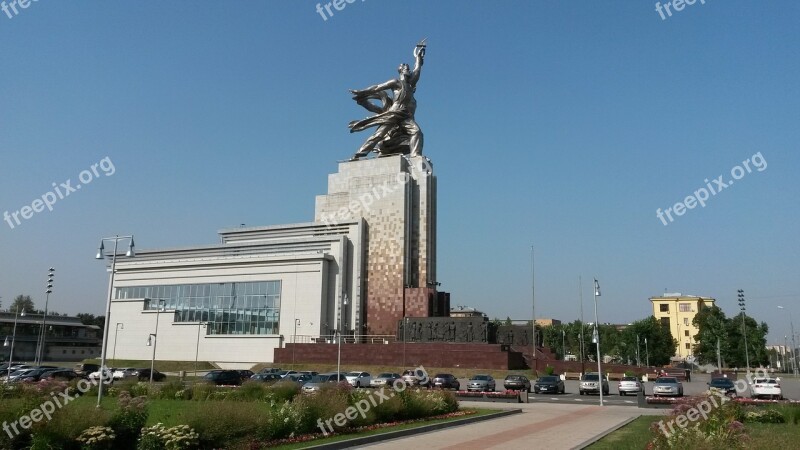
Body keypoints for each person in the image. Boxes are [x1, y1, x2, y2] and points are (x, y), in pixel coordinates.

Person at [348, 42, 426, 160]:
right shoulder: (396, 82)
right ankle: (358, 154)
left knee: (417, 132)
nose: (409, 70)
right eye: (406, 69)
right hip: (395, 112)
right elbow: (377, 87)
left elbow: (418, 70)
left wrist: (418, 58)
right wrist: (361, 92)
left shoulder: (410, 85)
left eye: (409, 69)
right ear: (401, 70)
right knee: (379, 134)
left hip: (404, 115)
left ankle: (415, 156)